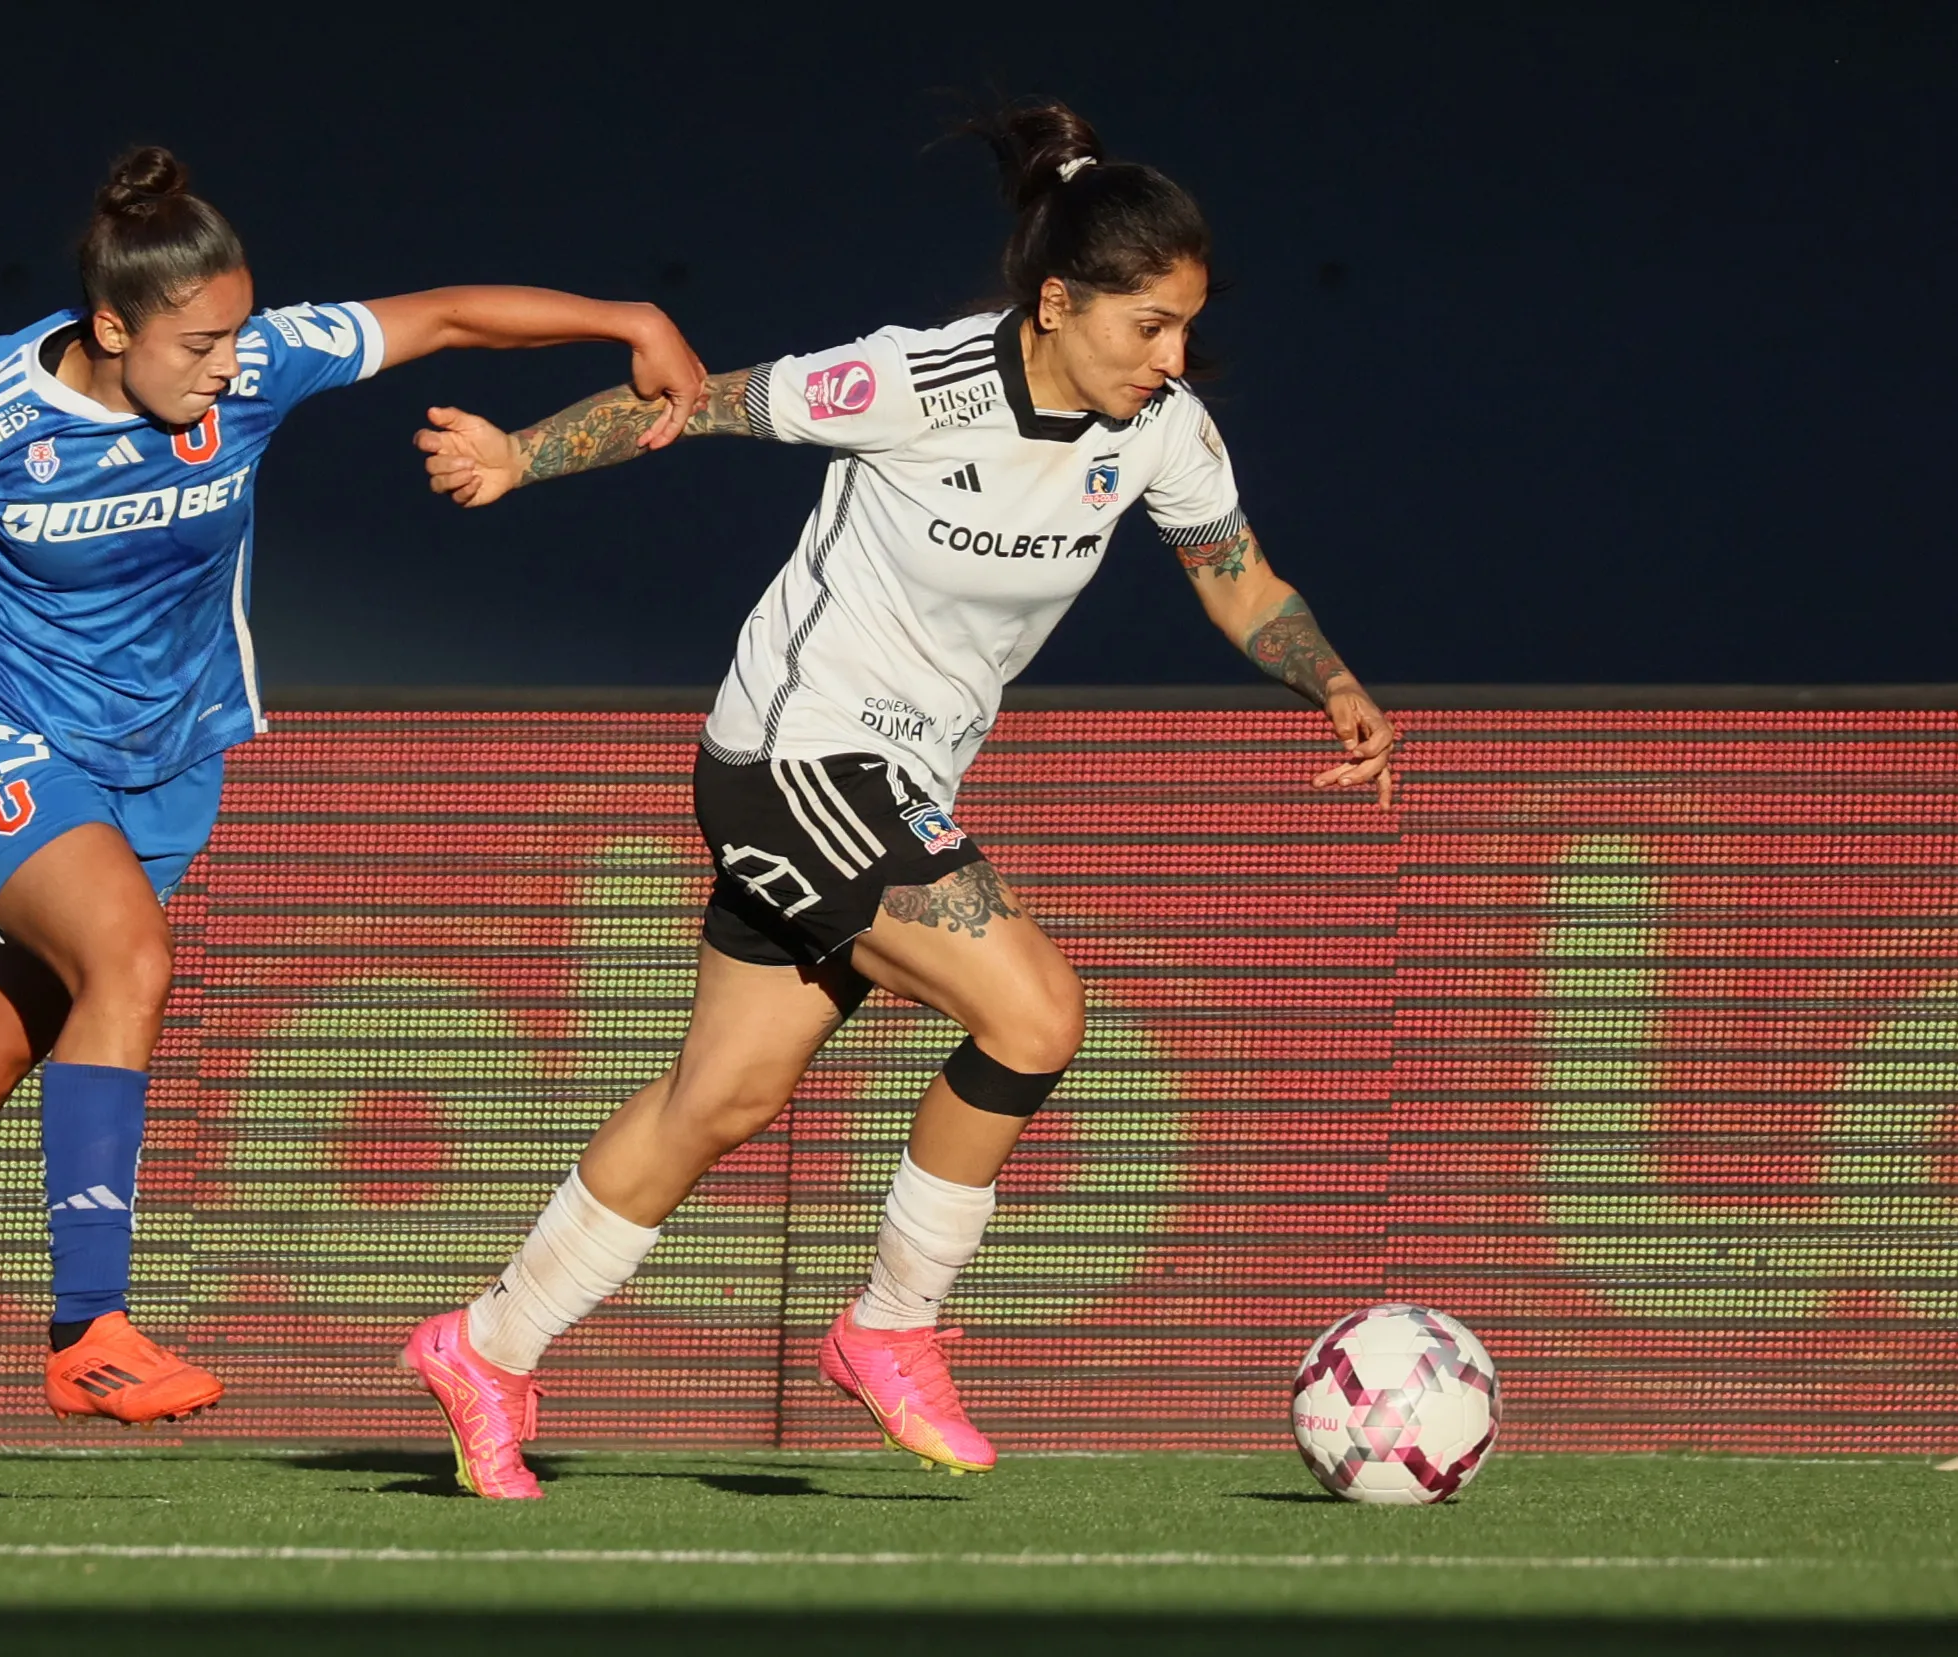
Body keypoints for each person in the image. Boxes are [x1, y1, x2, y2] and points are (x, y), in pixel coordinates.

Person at [0, 146, 706, 1486]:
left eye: (237, 334)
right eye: (199, 340)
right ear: (112, 327)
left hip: (164, 767)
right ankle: (87, 1325)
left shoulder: (260, 369)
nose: (227, 363)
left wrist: (628, 319)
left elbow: (441, 315)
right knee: (130, 964)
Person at [404, 99, 1395, 1499]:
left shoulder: (1163, 432)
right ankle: (890, 1329)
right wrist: (520, 454)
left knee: (719, 1100)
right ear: (1056, 302)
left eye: (1182, 324)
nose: (1170, 357)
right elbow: (700, 402)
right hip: (795, 759)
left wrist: (1331, 680)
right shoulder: (913, 382)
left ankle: (484, 1347)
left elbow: (1236, 578)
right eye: (1145, 326)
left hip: (888, 780)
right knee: (1035, 1010)